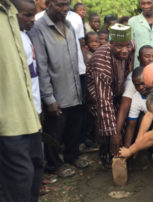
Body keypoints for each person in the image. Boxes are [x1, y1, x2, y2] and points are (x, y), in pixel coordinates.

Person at [29, 0, 88, 177]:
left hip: (75, 86)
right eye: (60, 5)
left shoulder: (69, 24)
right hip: (56, 90)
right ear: (48, 4)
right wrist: (49, 98)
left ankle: (72, 155)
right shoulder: (38, 28)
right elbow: (41, 65)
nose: (65, 9)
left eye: (67, 4)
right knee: (55, 130)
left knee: (74, 126)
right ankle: (54, 164)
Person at [0, 0, 43, 201]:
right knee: (20, 176)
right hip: (8, 118)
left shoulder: (15, 23)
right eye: (27, 15)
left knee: (35, 167)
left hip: (29, 112)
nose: (31, 20)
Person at [86, 23, 134, 166]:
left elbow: (129, 64)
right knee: (105, 126)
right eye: (119, 46)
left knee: (121, 122)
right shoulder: (101, 62)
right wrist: (114, 134)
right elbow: (104, 102)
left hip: (116, 90)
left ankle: (120, 152)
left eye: (127, 46)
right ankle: (106, 154)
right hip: (98, 96)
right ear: (110, 43)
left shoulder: (131, 45)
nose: (125, 51)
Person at [115, 45, 153, 149]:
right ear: (139, 58)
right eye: (147, 56)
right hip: (146, 116)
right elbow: (124, 107)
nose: (151, 59)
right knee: (140, 120)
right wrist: (116, 133)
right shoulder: (134, 80)